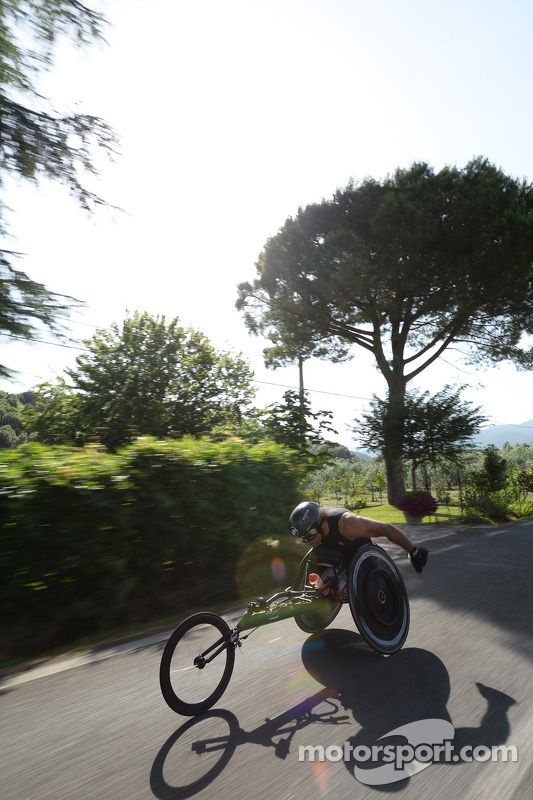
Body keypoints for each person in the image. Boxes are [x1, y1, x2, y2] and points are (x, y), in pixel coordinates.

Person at [289, 501, 428, 595]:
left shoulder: (348, 524)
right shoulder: (317, 534)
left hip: (362, 562)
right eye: (302, 540)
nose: (306, 543)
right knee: (321, 585)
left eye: (307, 538)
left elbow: (386, 529)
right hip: (338, 558)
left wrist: (413, 551)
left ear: (319, 526)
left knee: (342, 589)